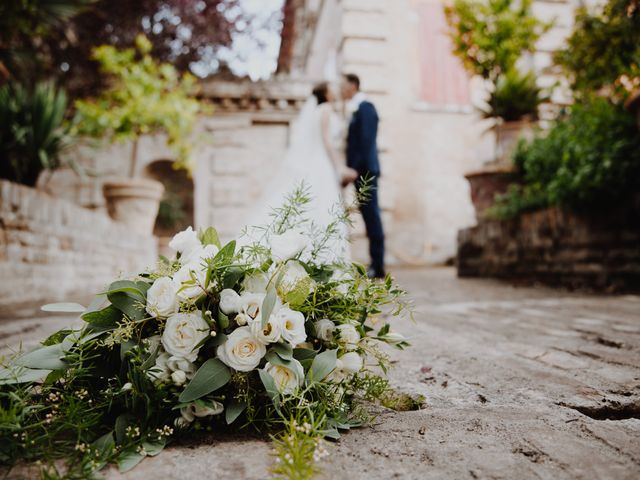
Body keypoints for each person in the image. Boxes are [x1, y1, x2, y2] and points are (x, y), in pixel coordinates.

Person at [245, 82, 350, 263]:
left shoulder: (317, 111)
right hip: (323, 164)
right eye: (331, 88)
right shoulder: (325, 109)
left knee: (316, 206)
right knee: (324, 206)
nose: (335, 90)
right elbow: (327, 141)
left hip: (318, 162)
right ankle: (326, 257)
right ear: (325, 93)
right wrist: (340, 167)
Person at [341, 73, 385, 279]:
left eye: (343, 85)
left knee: (372, 217)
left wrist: (355, 170)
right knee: (368, 216)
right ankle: (376, 263)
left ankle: (378, 265)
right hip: (361, 171)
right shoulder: (355, 108)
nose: (341, 89)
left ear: (353, 86)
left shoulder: (366, 108)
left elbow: (366, 142)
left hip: (365, 172)